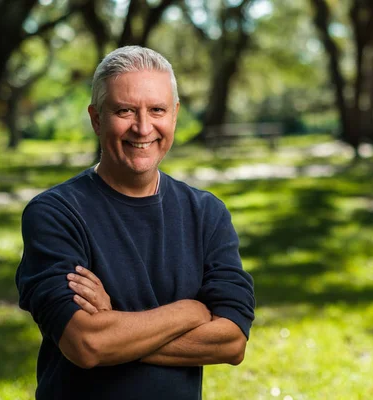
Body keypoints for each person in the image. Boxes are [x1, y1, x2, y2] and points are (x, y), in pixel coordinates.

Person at [15, 46, 255, 399]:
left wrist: (115, 325)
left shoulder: (207, 213)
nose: (143, 128)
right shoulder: (54, 213)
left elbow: (231, 342)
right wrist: (192, 311)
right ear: (97, 119)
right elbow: (87, 343)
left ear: (174, 115)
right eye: (124, 110)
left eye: (157, 110)